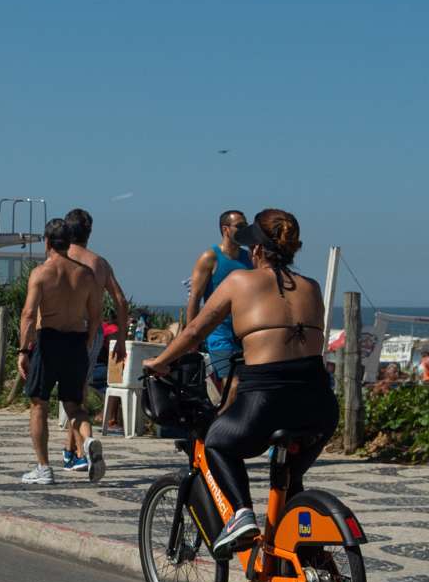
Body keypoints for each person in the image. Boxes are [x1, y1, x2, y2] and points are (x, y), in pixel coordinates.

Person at [145, 209, 335, 558]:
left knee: (218, 440)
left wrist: (160, 362)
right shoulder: (312, 286)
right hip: (320, 403)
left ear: (258, 251)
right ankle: (305, 560)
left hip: (267, 399)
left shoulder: (238, 283)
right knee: (289, 481)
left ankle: (242, 515)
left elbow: (193, 331)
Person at [17, 218, 105, 486]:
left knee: (38, 404)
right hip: (77, 341)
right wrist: (88, 342)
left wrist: (23, 350)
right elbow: (96, 314)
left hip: (49, 341)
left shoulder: (41, 273)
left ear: (46, 241)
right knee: (74, 406)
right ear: (68, 243)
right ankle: (87, 443)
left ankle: (44, 468)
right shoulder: (85, 274)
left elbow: (29, 314)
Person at [63, 208, 129, 470]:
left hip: (64, 331)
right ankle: (70, 451)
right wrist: (121, 339)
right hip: (93, 333)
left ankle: (82, 451)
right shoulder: (99, 263)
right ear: (89, 233)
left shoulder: (60, 259)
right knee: (77, 393)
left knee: (71, 396)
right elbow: (121, 301)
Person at [186, 210, 251, 385]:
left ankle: (224, 412)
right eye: (240, 226)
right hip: (219, 333)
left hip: (244, 334)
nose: (244, 230)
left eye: (246, 226)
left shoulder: (251, 258)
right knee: (232, 383)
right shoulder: (210, 258)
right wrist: (191, 337)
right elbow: (195, 298)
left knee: (244, 386)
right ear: (226, 229)